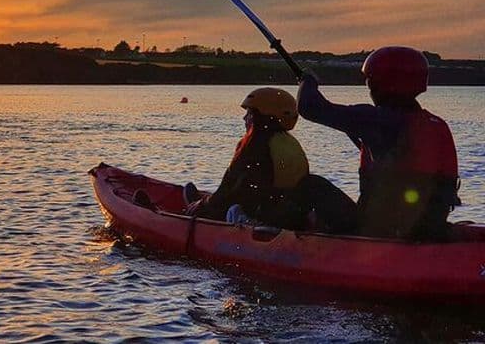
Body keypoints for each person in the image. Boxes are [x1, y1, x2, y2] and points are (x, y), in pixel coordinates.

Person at [298, 46, 460, 241]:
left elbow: (310, 107)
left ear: (381, 84)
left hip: (382, 230)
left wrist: (308, 81)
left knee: (311, 185)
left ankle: (284, 235)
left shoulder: (376, 119)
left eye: (370, 82)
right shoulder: (436, 124)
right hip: (430, 228)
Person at [185, 88, 357, 233]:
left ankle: (225, 217)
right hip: (293, 215)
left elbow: (230, 188)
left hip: (269, 217)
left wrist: (204, 205)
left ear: (263, 116)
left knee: (232, 208)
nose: (245, 118)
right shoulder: (290, 143)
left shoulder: (255, 146)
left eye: (249, 113)